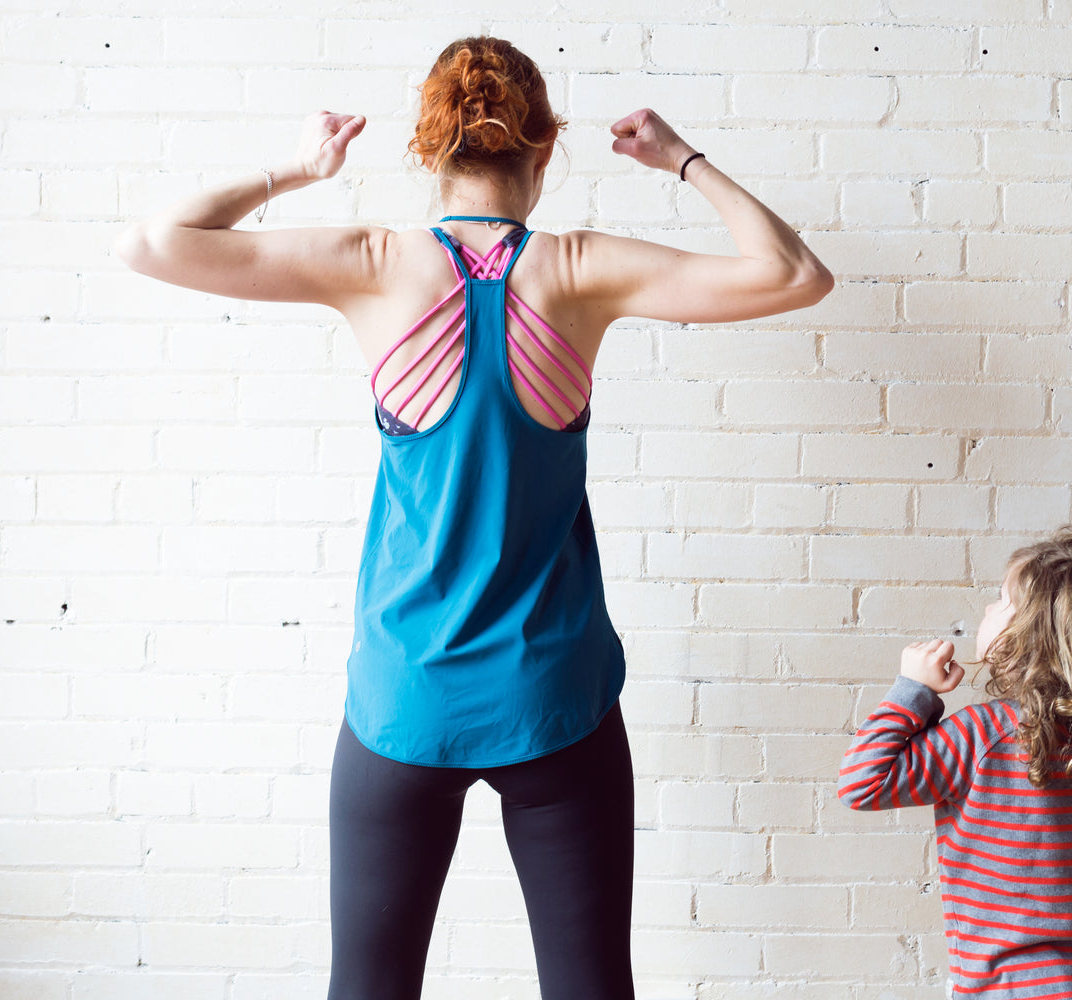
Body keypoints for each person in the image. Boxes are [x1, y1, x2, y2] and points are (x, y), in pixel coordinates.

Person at [116, 35, 832, 1000]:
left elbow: (151, 241)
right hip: (556, 699)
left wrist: (297, 168)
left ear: (428, 151)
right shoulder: (579, 269)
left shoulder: (372, 262)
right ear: (543, 154)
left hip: (405, 697)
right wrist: (680, 160)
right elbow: (794, 274)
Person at [838, 526, 1072, 998]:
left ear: (1034, 634)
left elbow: (862, 782)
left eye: (1002, 601)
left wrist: (913, 690)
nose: (987, 608)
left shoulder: (981, 737)